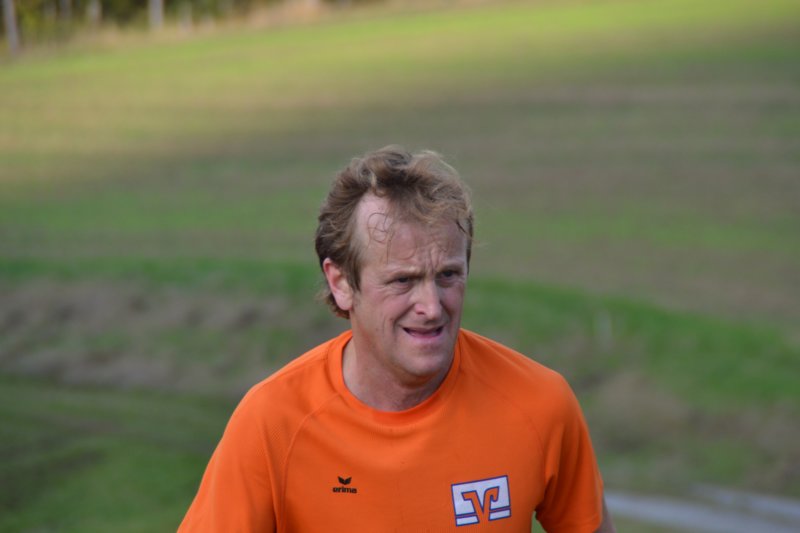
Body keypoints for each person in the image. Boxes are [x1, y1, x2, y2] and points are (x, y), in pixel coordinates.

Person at [179, 146, 615, 532]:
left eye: (448, 275)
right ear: (341, 283)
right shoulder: (273, 423)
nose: (432, 306)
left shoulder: (540, 405)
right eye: (403, 280)